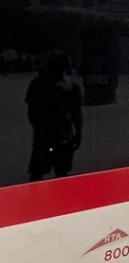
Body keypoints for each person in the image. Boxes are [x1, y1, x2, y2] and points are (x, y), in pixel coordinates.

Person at [26, 52, 83, 181]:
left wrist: (39, 128)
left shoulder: (37, 83)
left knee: (38, 172)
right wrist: (78, 133)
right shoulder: (71, 86)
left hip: (46, 135)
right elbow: (77, 113)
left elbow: (31, 112)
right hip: (63, 134)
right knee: (60, 173)